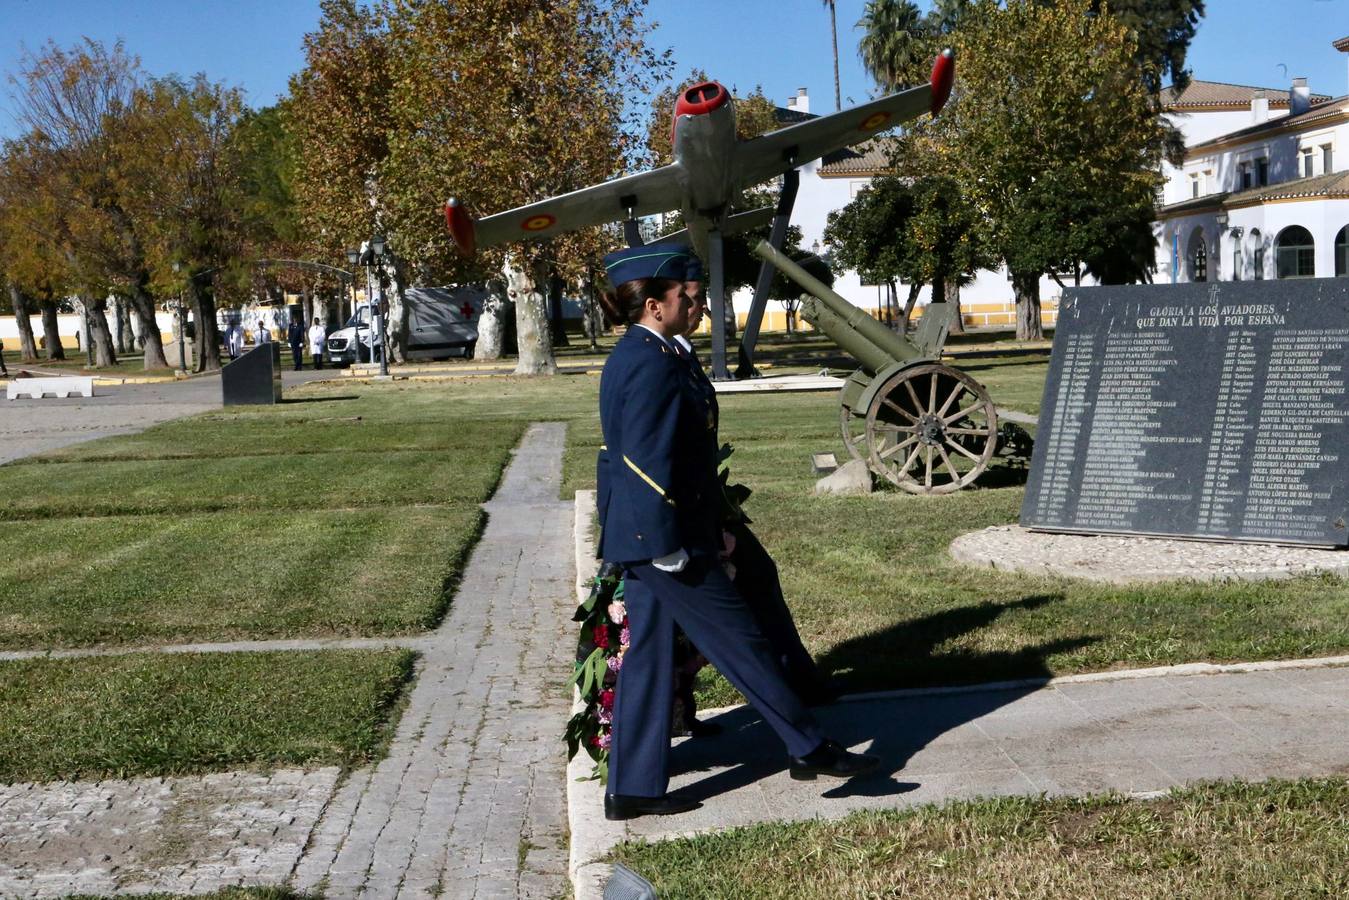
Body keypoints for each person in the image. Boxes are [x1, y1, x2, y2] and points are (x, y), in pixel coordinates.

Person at [596, 246, 877, 822]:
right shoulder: (648, 361)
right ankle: (808, 747)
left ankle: (632, 787)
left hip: (657, 531)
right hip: (665, 538)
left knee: (648, 656)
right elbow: (645, 461)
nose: (698, 306)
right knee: (740, 639)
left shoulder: (659, 352)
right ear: (655, 305)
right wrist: (668, 544)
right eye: (688, 297)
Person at [677, 253, 836, 705]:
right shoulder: (662, 357)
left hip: (707, 502)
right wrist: (712, 523)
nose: (701, 308)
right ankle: (787, 690)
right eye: (692, 298)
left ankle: (796, 683)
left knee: (758, 578)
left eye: (700, 298)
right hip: (688, 511)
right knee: (724, 600)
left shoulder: (681, 353)